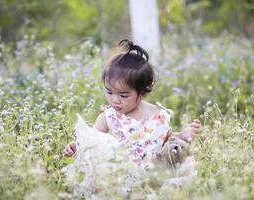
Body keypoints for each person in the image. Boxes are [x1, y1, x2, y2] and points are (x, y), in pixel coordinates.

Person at [63, 39, 200, 164]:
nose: (115, 100)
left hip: (151, 176)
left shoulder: (158, 116)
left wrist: (182, 135)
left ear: (142, 91)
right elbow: (91, 144)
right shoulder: (108, 118)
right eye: (109, 92)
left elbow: (165, 138)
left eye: (123, 95)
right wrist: (76, 148)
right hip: (117, 177)